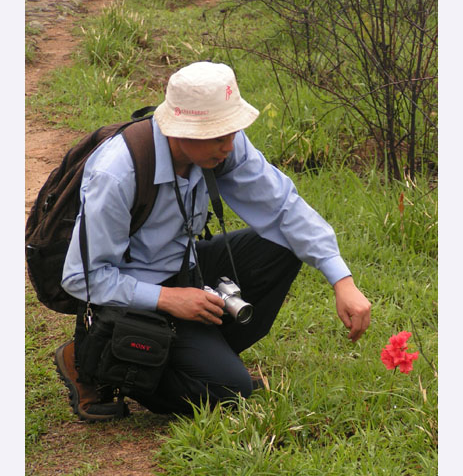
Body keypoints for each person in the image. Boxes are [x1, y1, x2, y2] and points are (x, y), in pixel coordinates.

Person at [55, 61, 371, 421]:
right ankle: (92, 360)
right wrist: (168, 299)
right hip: (131, 298)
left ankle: (199, 355)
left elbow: (283, 207)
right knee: (228, 391)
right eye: (217, 135)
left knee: (283, 244)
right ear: (178, 129)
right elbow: (83, 278)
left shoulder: (223, 147)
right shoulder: (117, 172)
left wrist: (341, 279)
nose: (229, 145)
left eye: (232, 132)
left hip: (186, 270)